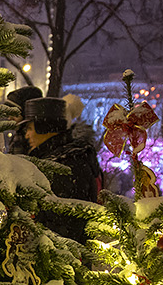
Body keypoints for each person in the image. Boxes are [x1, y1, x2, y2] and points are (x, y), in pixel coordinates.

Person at [11, 96, 103, 241]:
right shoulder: (57, 157)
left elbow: (63, 222)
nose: (27, 135)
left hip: (63, 256)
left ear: (44, 127)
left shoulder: (68, 164)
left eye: (30, 128)